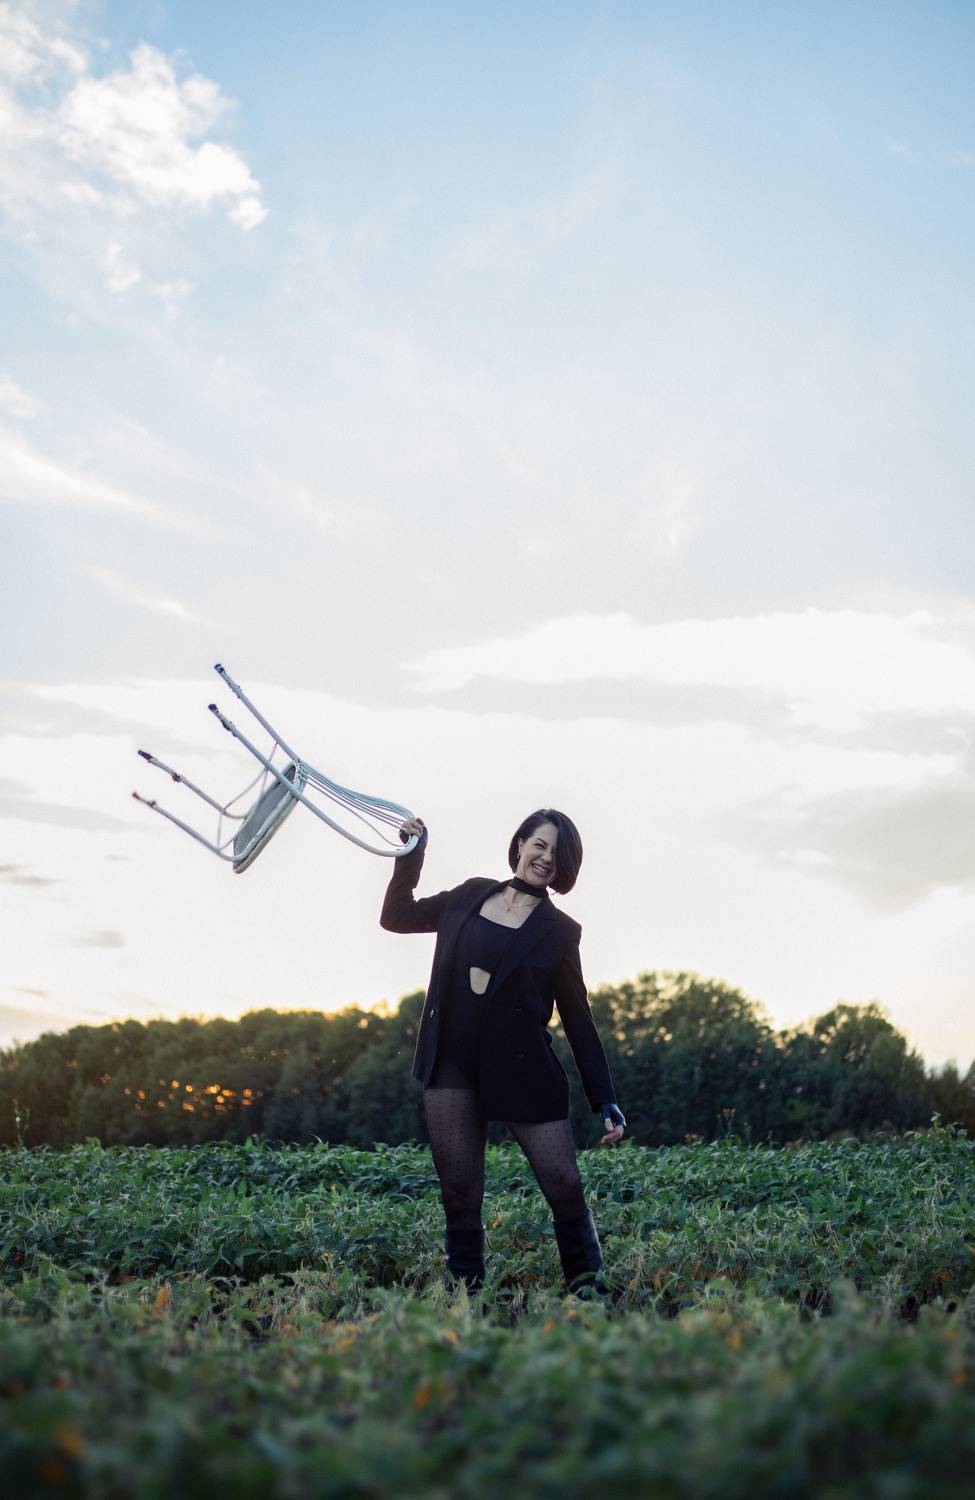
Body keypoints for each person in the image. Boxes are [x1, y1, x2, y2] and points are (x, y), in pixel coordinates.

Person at [380, 807, 626, 1298]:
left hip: (523, 1070)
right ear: (519, 845)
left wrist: (604, 1098)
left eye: (557, 853)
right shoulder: (469, 896)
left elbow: (578, 1019)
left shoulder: (560, 931)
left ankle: (589, 1293)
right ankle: (466, 1300)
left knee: (564, 1185)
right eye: (540, 844)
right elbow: (396, 917)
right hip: (452, 1064)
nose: (546, 858)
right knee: (459, 1194)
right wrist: (411, 855)